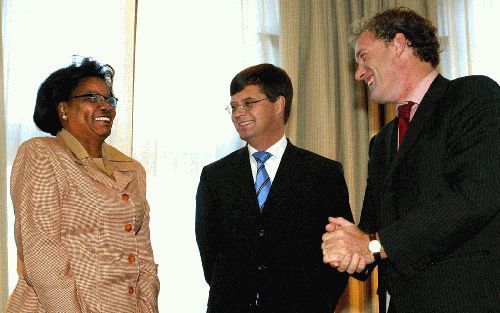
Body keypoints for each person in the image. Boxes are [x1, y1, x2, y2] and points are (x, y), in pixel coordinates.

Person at [321, 7, 500, 313]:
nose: (358, 72)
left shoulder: (473, 96)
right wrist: (348, 246)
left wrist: (373, 244)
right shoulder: (383, 142)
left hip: (467, 299)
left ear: (399, 44)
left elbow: (474, 195)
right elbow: (372, 230)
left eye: (363, 56)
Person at [195, 63, 353, 313]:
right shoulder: (215, 176)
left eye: (248, 103)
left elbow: (340, 252)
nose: (238, 113)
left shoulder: (323, 173)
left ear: (279, 104)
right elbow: (210, 257)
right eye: (234, 106)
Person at [7, 57, 160, 313]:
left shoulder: (131, 169)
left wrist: (146, 308)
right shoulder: (41, 154)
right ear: (63, 109)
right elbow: (42, 256)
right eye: (92, 98)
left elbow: (143, 258)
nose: (106, 107)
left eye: (109, 100)